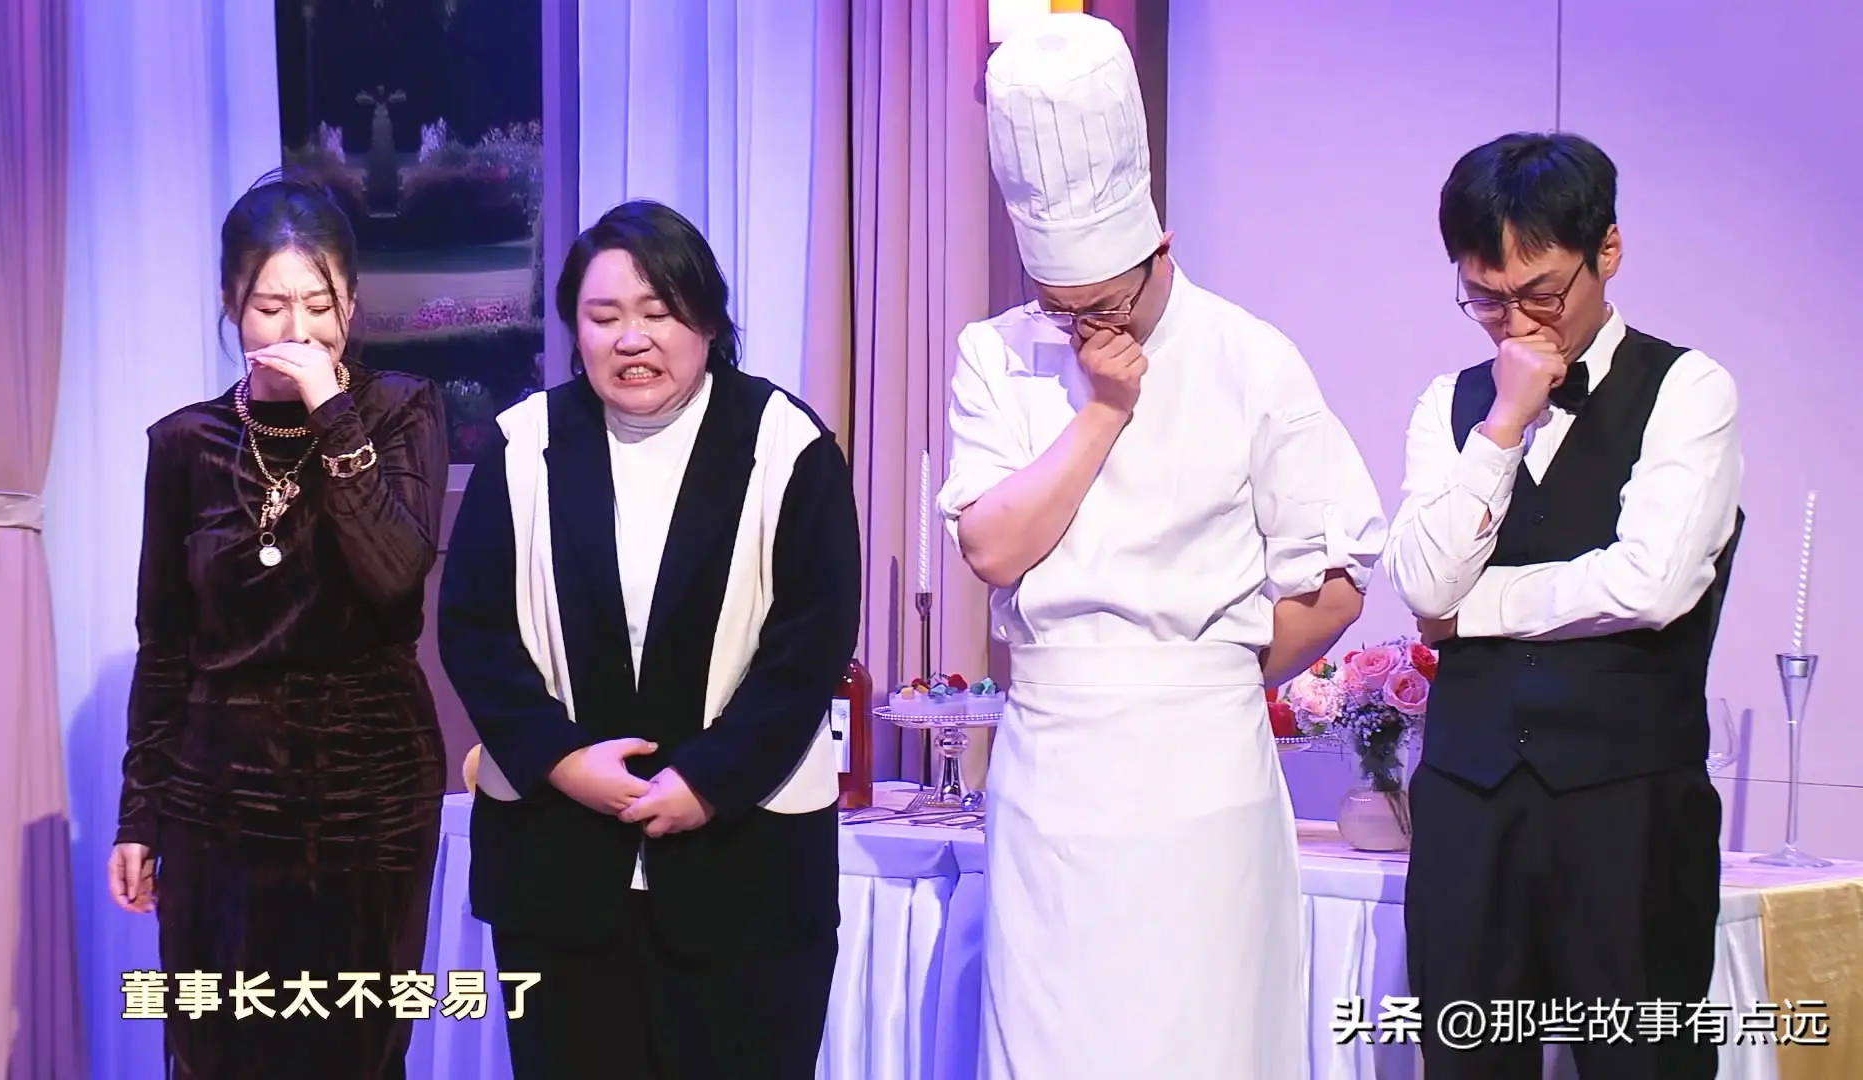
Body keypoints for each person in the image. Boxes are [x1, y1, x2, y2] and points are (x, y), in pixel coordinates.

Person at [937, 14, 1388, 1078]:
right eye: (1061, 310)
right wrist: (1101, 411)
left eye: (1103, 306)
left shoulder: (1250, 357)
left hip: (1203, 771)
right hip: (1053, 760)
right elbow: (993, 548)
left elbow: (1335, 584)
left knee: (1205, 1039)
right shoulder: (997, 354)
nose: (1086, 331)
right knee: (1051, 1038)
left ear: (1160, 251)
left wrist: (1206, 676)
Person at [437, 198, 861, 1080]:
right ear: (576, 330)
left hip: (743, 872)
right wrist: (561, 759)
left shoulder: (787, 443)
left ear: (706, 319)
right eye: (604, 317)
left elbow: (811, 640)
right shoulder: (524, 445)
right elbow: (474, 631)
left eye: (658, 312)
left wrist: (708, 780)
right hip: (559, 875)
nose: (632, 339)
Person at [1383, 132, 1743, 1079]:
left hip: (1629, 811)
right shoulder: (1450, 403)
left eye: (1540, 293)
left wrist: (1478, 610)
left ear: (1606, 251)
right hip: (1468, 808)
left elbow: (1652, 582)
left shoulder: (1688, 389)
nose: (1515, 324)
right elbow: (1422, 585)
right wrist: (1504, 421)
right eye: (1485, 298)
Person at [107, 173, 450, 1078]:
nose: (297, 329)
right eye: (270, 307)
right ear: (231, 306)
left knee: (356, 1046)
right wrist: (139, 813)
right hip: (217, 793)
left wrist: (332, 412)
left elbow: (394, 573)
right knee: (216, 1045)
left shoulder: (401, 409)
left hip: (369, 786)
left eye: (319, 305)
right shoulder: (184, 444)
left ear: (351, 305)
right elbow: (165, 644)